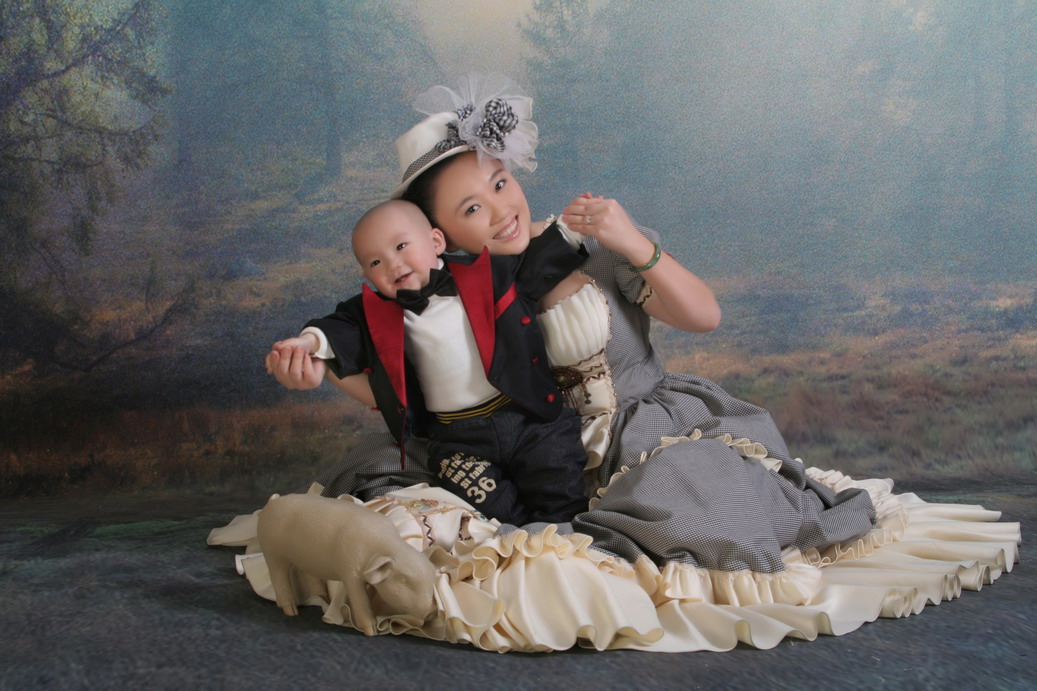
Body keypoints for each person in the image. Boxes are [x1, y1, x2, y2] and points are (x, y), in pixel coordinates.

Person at [216, 75, 1019, 652]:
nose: (500, 210)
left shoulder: (580, 246)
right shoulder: (444, 293)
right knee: (401, 476)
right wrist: (320, 366)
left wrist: (631, 240)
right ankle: (413, 552)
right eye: (470, 209)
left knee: (689, 489)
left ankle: (581, 553)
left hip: (637, 431)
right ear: (435, 239)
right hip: (517, 444)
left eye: (500, 184)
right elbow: (400, 392)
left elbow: (702, 314)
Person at [267, 198, 590, 525]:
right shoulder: (375, 311)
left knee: (558, 481)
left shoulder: (489, 272)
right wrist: (308, 343)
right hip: (458, 438)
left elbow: (535, 263)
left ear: (436, 241)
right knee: (490, 511)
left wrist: (571, 228)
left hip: (528, 415)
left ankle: (563, 540)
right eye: (376, 262)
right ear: (367, 275)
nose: (392, 264)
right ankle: (518, 541)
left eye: (401, 246)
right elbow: (337, 328)